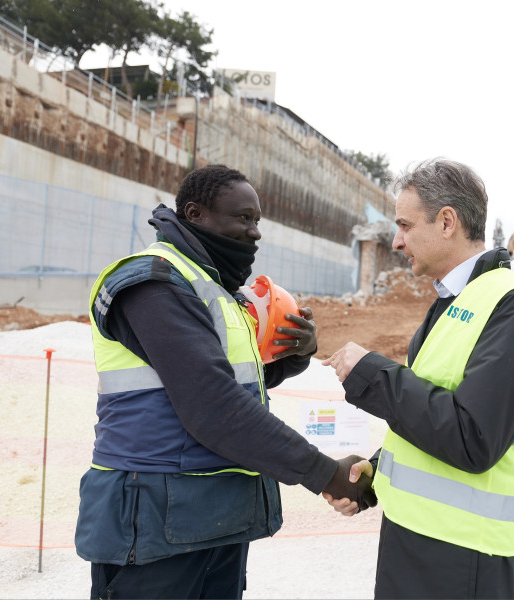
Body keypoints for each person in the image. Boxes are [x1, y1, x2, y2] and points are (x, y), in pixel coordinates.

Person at [74, 164, 375, 599]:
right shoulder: (154, 284)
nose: (254, 233)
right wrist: (326, 473)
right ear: (195, 214)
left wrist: (299, 351)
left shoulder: (216, 291)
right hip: (153, 523)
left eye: (257, 222)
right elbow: (213, 404)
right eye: (243, 218)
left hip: (213, 520)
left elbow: (245, 380)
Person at [322, 158, 514, 599]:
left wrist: (374, 374)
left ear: (447, 221)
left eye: (405, 225)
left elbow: (473, 437)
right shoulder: (455, 302)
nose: (397, 241)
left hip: (468, 559)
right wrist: (376, 473)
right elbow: (434, 410)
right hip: (420, 542)